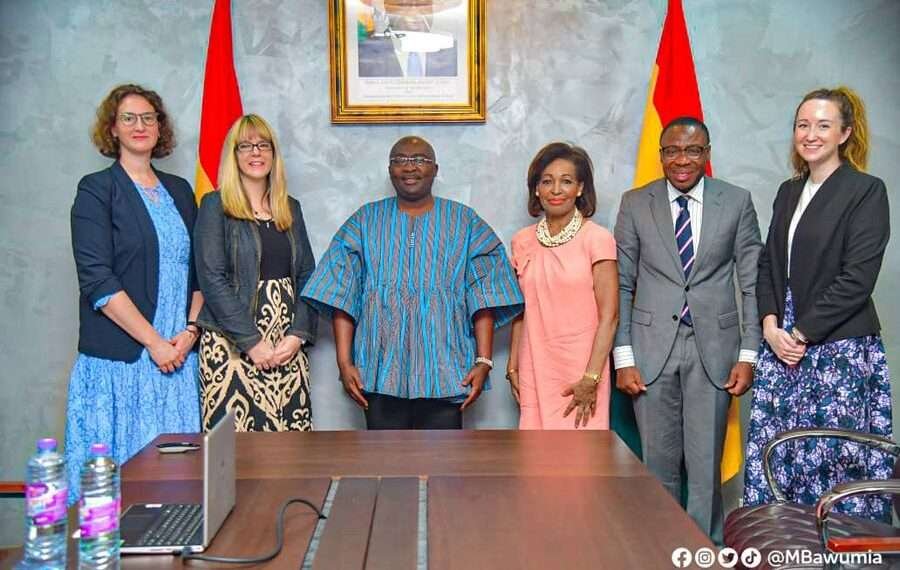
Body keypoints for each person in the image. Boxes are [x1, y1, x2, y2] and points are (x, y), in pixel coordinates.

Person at [301, 136, 522, 429]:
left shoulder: (464, 221)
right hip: (378, 372)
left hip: (446, 371)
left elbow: (484, 295)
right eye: (400, 160)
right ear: (389, 169)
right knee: (384, 457)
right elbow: (343, 293)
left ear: (435, 169)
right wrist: (344, 363)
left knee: (445, 458)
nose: (409, 167)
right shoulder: (365, 220)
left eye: (419, 160)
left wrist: (484, 361)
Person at [743, 87, 892, 520]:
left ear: (845, 133)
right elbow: (769, 265)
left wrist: (800, 333)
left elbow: (857, 279)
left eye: (823, 125)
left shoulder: (865, 190)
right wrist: (770, 327)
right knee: (777, 454)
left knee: (832, 457)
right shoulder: (788, 191)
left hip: (836, 347)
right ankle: (783, 548)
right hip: (781, 344)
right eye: (803, 125)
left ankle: (838, 547)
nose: (810, 134)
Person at [613, 117, 762, 543]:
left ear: (707, 154)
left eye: (693, 150)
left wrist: (748, 354)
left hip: (714, 349)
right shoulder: (635, 203)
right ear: (661, 155)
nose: (682, 160)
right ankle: (661, 548)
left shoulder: (736, 201)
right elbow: (622, 284)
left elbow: (751, 283)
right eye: (673, 151)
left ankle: (704, 550)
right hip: (650, 349)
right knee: (657, 466)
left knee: (705, 466)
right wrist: (623, 356)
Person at [66, 84, 202, 501]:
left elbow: (199, 273)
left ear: (160, 128)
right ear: (113, 128)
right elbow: (97, 280)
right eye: (128, 118)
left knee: (175, 490)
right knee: (115, 495)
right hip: (123, 363)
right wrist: (155, 344)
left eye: (148, 118)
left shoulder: (181, 191)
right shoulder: (96, 189)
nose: (139, 125)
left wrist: (190, 333)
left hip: (177, 361)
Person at [194, 114, 317, 432]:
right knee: (233, 451)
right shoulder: (215, 206)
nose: (256, 152)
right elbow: (212, 278)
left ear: (274, 154)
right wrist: (251, 341)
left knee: (291, 448)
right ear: (233, 155)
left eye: (263, 145)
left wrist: (297, 335)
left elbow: (307, 274)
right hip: (231, 344)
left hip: (286, 346)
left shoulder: (290, 207)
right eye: (245, 146)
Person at [507, 143, 618, 429]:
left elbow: (610, 317)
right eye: (547, 181)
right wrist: (513, 365)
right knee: (535, 453)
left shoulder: (597, 239)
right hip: (534, 366)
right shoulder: (521, 241)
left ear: (580, 188)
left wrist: (591, 378)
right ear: (536, 189)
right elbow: (520, 311)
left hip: (582, 372)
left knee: (580, 454)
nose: (556, 190)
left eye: (566, 181)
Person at [357, 2, 458, 78]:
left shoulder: (454, 53)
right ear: (388, 10)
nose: (414, 13)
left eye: (423, 5)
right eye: (404, 5)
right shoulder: (365, 55)